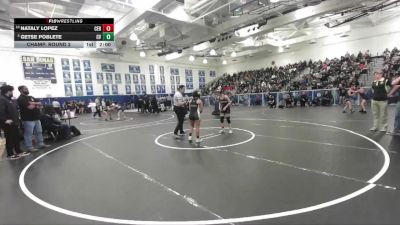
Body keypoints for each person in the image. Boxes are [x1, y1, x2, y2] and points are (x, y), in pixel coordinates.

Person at [0, 85, 30, 159]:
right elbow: (1, 111)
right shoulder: (2, 99)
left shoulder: (11, 99)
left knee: (16, 137)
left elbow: (15, 109)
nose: (12, 92)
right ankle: (10, 154)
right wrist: (5, 119)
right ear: (8, 91)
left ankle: (18, 151)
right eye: (12, 91)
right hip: (7, 122)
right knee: (10, 138)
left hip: (14, 121)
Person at [17, 86, 50, 151]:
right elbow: (30, 107)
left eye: (27, 88)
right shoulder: (20, 98)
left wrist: (33, 103)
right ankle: (29, 147)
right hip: (28, 119)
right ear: (21, 90)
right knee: (29, 133)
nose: (27, 90)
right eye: (25, 89)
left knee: (39, 132)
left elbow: (40, 104)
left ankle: (40, 144)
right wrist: (35, 104)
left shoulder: (31, 97)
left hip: (36, 118)